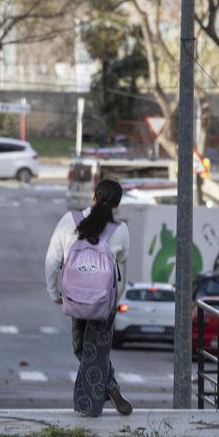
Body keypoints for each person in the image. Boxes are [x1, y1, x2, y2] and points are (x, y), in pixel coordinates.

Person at [44, 178, 133, 417]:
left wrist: (55, 293)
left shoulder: (69, 221)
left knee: (81, 347)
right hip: (104, 298)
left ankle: (91, 405)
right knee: (98, 348)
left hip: (75, 296)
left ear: (94, 196)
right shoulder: (120, 229)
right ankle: (107, 388)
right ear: (118, 204)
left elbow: (52, 261)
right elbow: (122, 260)